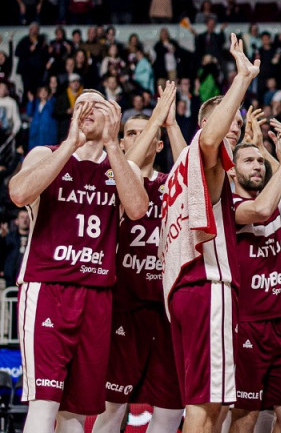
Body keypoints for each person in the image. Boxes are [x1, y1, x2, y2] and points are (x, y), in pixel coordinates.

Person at [9, 90, 148, 433]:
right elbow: (19, 193)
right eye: (80, 104)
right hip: (48, 287)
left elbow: (137, 209)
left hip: (97, 294)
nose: (87, 110)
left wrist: (114, 145)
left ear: (111, 115)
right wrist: (71, 144)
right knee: (45, 402)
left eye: (96, 105)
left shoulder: (122, 166)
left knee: (74, 411)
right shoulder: (47, 153)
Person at [160, 34, 260, 433]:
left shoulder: (179, 170)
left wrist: (169, 128)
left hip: (184, 291)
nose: (236, 128)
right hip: (208, 285)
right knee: (209, 405)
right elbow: (211, 140)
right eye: (232, 120)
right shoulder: (207, 156)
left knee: (204, 405)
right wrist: (243, 78)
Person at [92, 82, 187, 433]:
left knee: (168, 414)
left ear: (158, 144)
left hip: (167, 311)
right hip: (124, 308)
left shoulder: (169, 183)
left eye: (145, 132)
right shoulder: (112, 179)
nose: (137, 137)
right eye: (130, 133)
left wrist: (169, 123)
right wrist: (155, 119)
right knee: (110, 413)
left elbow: (193, 175)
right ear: (121, 143)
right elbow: (126, 168)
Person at [228, 112, 281, 433]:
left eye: (259, 162)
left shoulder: (280, 206)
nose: (256, 166)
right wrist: (278, 163)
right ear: (233, 170)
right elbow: (260, 209)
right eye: (248, 160)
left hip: (279, 326)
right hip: (245, 325)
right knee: (246, 414)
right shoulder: (231, 206)